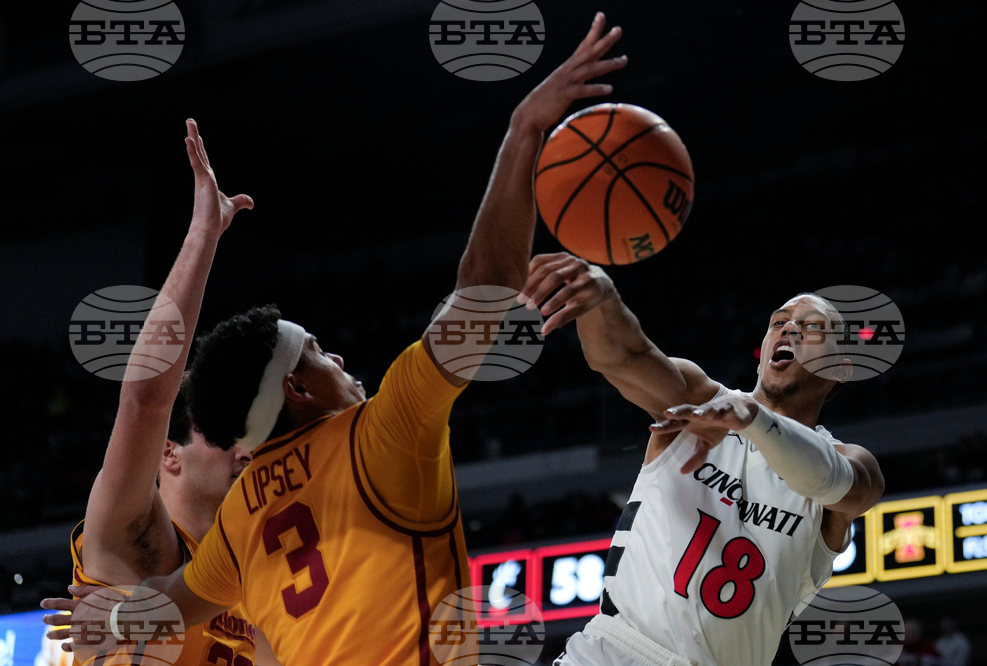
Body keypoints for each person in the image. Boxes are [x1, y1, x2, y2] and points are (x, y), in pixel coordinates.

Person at [46, 14, 629, 665]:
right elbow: (484, 290)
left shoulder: (240, 528)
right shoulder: (383, 428)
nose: (344, 359)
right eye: (320, 351)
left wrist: (122, 617)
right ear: (294, 387)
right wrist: (524, 131)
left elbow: (172, 603)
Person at [517, 253, 885, 666]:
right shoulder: (699, 399)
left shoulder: (850, 462)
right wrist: (603, 299)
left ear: (841, 366)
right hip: (616, 652)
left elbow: (837, 486)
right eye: (778, 322)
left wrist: (754, 421)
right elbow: (623, 357)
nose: (790, 328)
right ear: (763, 349)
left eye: (813, 326)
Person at [41, 119, 278, 665]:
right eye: (223, 431)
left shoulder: (261, 583)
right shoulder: (140, 539)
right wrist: (203, 235)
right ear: (167, 452)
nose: (246, 450)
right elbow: (146, 400)